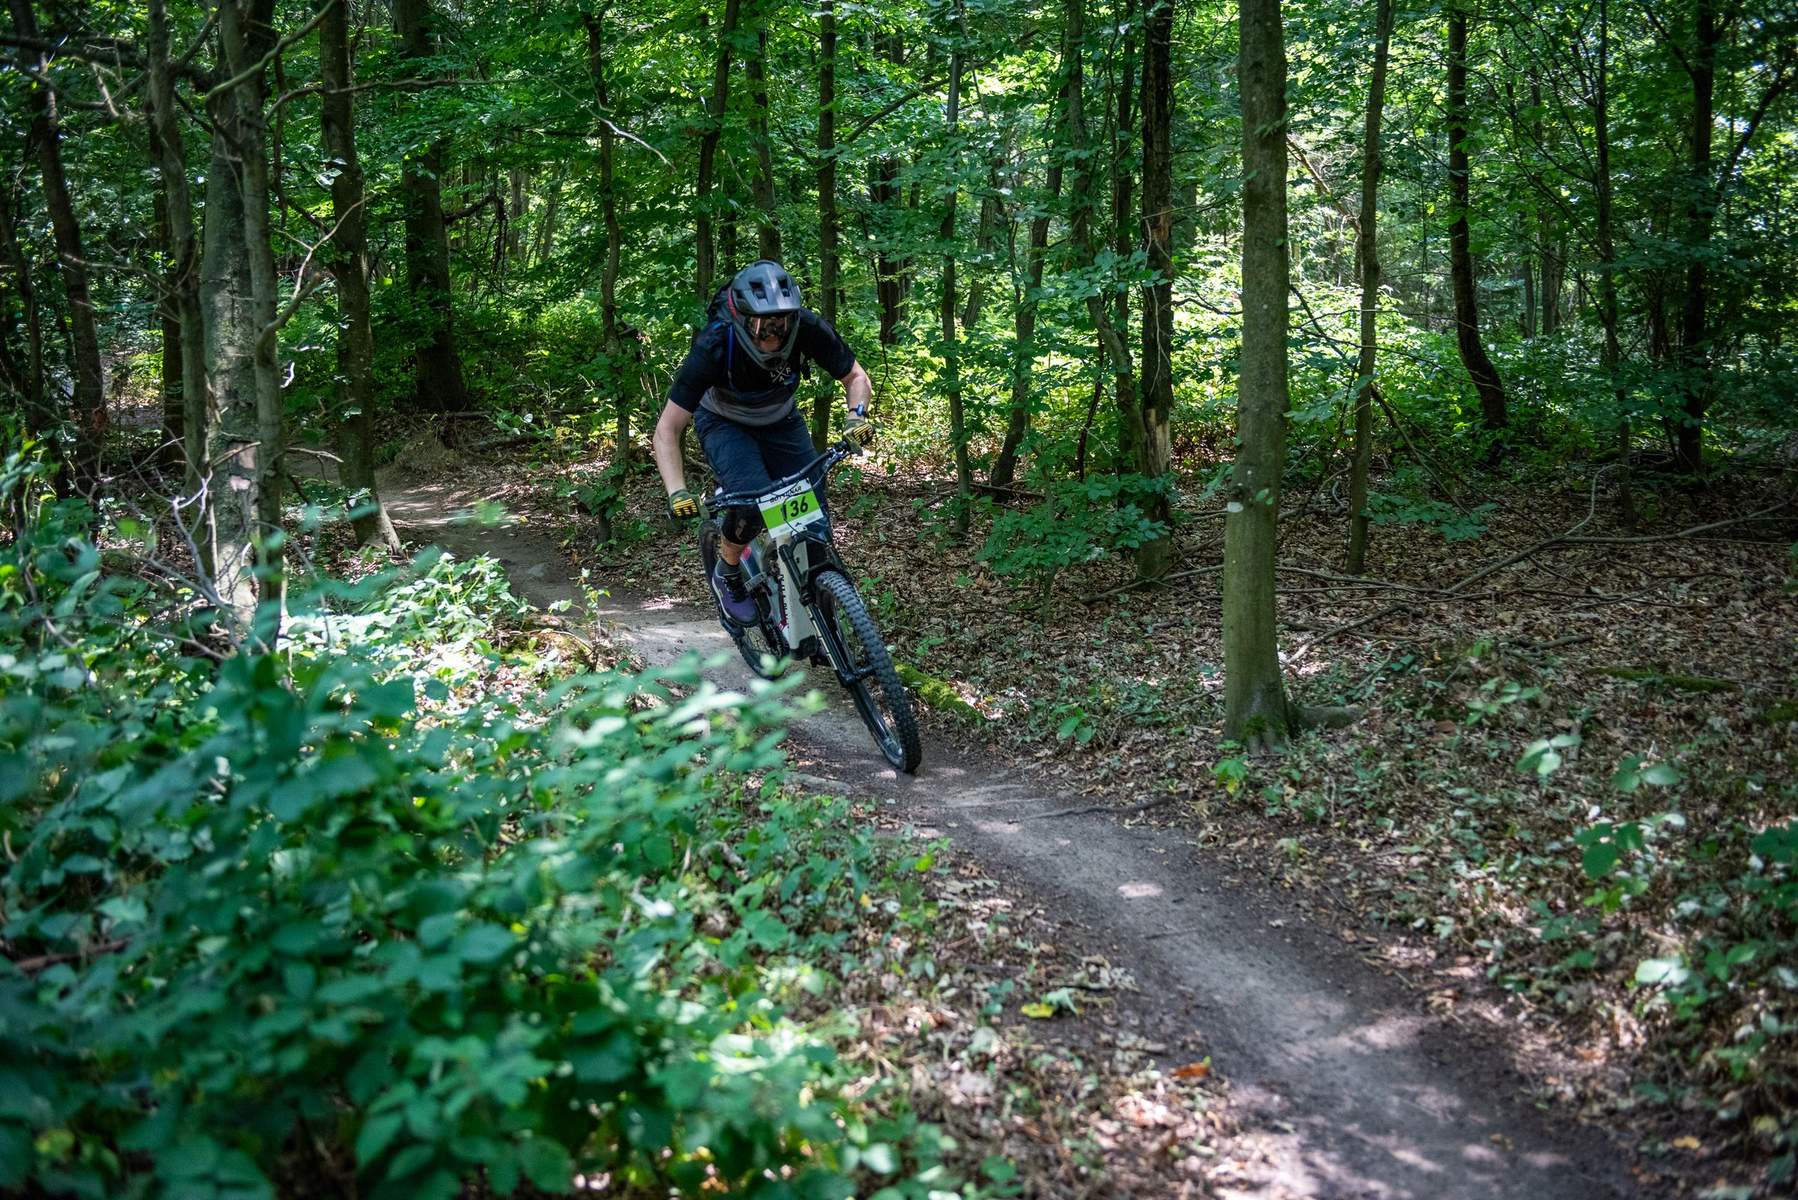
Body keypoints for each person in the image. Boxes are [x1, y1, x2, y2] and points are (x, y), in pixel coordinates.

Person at [653, 260, 874, 623]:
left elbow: (855, 376)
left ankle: (821, 615)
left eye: (781, 323)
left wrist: (857, 416)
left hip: (780, 419)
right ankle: (728, 572)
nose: (773, 334)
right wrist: (677, 491)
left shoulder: (807, 327)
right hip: (724, 423)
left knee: (813, 517)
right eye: (761, 325)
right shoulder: (715, 343)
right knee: (752, 503)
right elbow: (667, 429)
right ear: (742, 319)